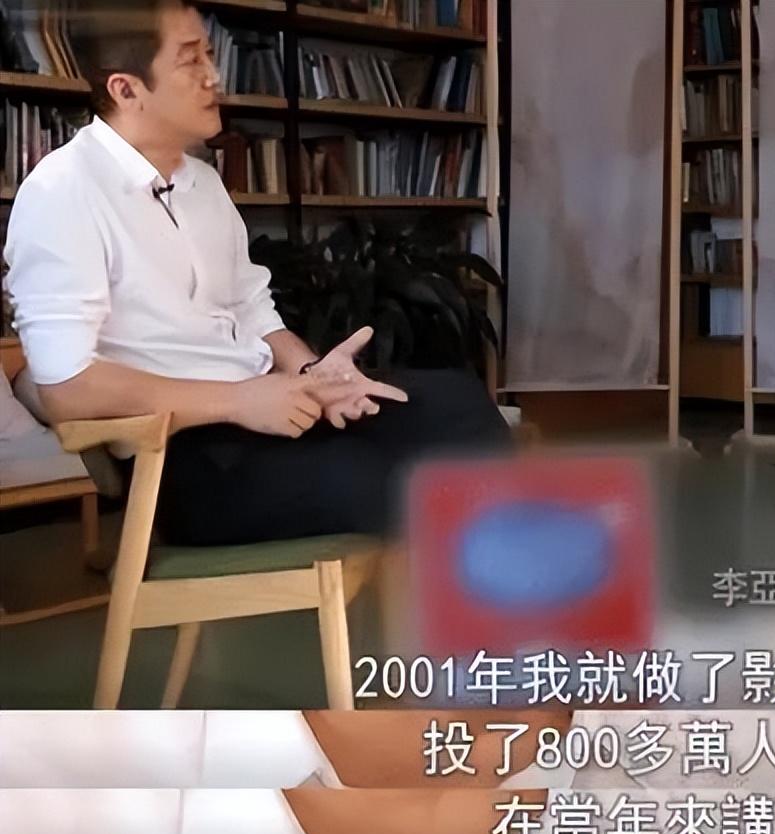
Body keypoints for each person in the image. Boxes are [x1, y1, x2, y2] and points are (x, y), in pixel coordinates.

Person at [4, 0, 510, 546]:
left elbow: (252, 310)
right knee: (377, 479)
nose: (214, 75)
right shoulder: (63, 191)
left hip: (266, 405)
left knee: (457, 406)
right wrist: (239, 400)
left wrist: (315, 373)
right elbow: (67, 388)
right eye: (191, 60)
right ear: (127, 89)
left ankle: (516, 577)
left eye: (209, 54)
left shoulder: (201, 183)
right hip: (183, 454)